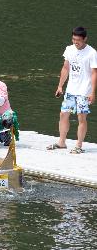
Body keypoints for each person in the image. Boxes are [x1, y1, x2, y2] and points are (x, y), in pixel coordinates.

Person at [48, 26, 97, 154]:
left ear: (85, 39)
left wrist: (92, 92)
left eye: (78, 40)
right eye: (74, 39)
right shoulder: (69, 49)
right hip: (71, 90)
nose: (75, 42)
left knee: (81, 117)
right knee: (63, 114)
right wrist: (60, 86)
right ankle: (61, 142)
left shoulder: (91, 53)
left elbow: (94, 73)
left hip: (84, 91)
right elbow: (65, 68)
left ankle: (79, 145)